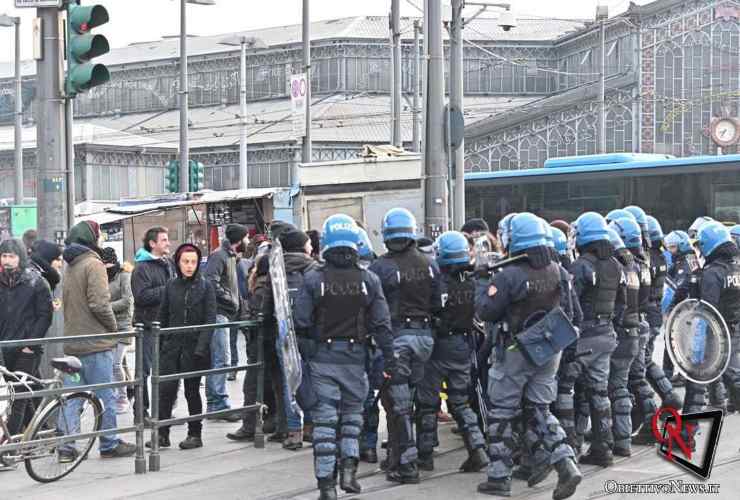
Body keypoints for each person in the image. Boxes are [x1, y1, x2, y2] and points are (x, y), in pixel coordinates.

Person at [476, 213, 581, 499]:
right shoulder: (558, 270)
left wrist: (483, 281)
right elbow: (573, 315)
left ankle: (499, 477)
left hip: (514, 350)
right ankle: (566, 462)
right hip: (550, 349)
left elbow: (485, 311)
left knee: (501, 414)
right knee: (541, 410)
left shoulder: (508, 274)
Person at [294, 214, 394, 500]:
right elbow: (382, 325)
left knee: (325, 425)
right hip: (355, 359)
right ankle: (349, 470)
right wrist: (390, 359)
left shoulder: (313, 279)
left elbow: (299, 321)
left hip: (322, 359)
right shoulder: (369, 279)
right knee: (352, 418)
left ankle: (327, 487)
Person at [369, 208, 441, 484]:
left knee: (397, 406)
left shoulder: (380, 267)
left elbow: (374, 309)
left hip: (396, 340)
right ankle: (416, 455)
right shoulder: (429, 263)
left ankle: (406, 466)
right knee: (414, 399)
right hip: (424, 339)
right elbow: (437, 303)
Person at [60, 221, 136, 460]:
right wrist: (113, 328)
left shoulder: (70, 266)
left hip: (73, 343)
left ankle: (66, 446)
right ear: (91, 238)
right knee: (105, 396)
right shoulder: (94, 264)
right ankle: (109, 443)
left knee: (72, 398)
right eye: (99, 235)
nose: (101, 239)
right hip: (96, 344)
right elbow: (99, 304)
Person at [415, 231, 489, 473]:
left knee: (427, 402)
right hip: (462, 346)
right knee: (460, 402)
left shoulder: (436, 283)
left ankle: (424, 455)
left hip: (437, 347)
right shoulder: (472, 282)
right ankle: (477, 449)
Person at [554, 212, 620, 467]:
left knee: (566, 389)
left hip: (584, 337)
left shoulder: (581, 265)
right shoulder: (614, 264)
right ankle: (604, 449)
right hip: (606, 333)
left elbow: (569, 304)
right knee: (599, 392)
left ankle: (569, 447)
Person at [153, 243, 216, 450]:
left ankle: (195, 434)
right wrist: (161, 344)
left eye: (193, 262)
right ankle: (162, 434)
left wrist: (201, 347)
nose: (189, 266)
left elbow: (210, 319)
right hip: (172, 347)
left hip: (194, 349)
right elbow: (163, 315)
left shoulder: (206, 286)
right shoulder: (171, 285)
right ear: (178, 263)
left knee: (192, 391)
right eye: (185, 262)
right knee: (166, 391)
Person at [0, 239, 53, 437]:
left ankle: (9, 448)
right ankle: (42, 434)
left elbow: (45, 316)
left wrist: (30, 344)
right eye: (4, 255)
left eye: (11, 256)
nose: (7, 260)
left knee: (18, 397)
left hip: (26, 349)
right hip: (4, 348)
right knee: (24, 394)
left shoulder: (36, 282)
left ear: (20, 258)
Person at [278, 227, 318, 450]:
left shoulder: (275, 268)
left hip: (284, 334)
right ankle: (310, 426)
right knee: (310, 379)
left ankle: (293, 430)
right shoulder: (313, 268)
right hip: (309, 333)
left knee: (289, 382)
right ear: (302, 246)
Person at [695, 222, 740, 414]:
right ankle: (718, 402)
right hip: (735, 323)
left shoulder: (712, 272)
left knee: (729, 372)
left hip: (720, 328)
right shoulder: (735, 267)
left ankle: (723, 401)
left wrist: (699, 337)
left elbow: (708, 308)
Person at [131, 227, 174, 419]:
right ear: (152, 244)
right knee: (144, 371)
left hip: (164, 325)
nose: (168, 243)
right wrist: (167, 290)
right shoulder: (141, 268)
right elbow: (141, 296)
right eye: (164, 240)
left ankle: (161, 410)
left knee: (164, 370)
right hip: (147, 326)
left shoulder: (167, 263)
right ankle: (141, 412)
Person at [204, 224, 247, 419]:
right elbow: (211, 281)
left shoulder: (230, 257)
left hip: (226, 313)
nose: (247, 241)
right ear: (239, 239)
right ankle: (218, 403)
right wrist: (229, 299)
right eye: (245, 237)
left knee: (221, 359)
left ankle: (215, 403)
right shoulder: (219, 255)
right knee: (221, 359)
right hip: (218, 313)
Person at [606, 223, 641, 458]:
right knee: (620, 386)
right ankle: (623, 439)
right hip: (634, 330)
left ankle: (618, 440)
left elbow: (619, 305)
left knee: (613, 388)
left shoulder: (615, 267)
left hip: (621, 331)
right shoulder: (633, 266)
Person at [643, 216, 682, 411]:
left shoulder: (645, 258)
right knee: (645, 360)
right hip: (655, 312)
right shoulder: (660, 256)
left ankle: (650, 413)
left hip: (645, 313)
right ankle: (669, 395)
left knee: (636, 367)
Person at [101, 247, 134, 415]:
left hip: (123, 326)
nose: (107, 268)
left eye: (109, 264)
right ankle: (130, 389)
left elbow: (127, 300)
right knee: (120, 364)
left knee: (115, 364)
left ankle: (122, 398)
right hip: (109, 326)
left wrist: (106, 307)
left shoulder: (124, 276)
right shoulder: (101, 277)